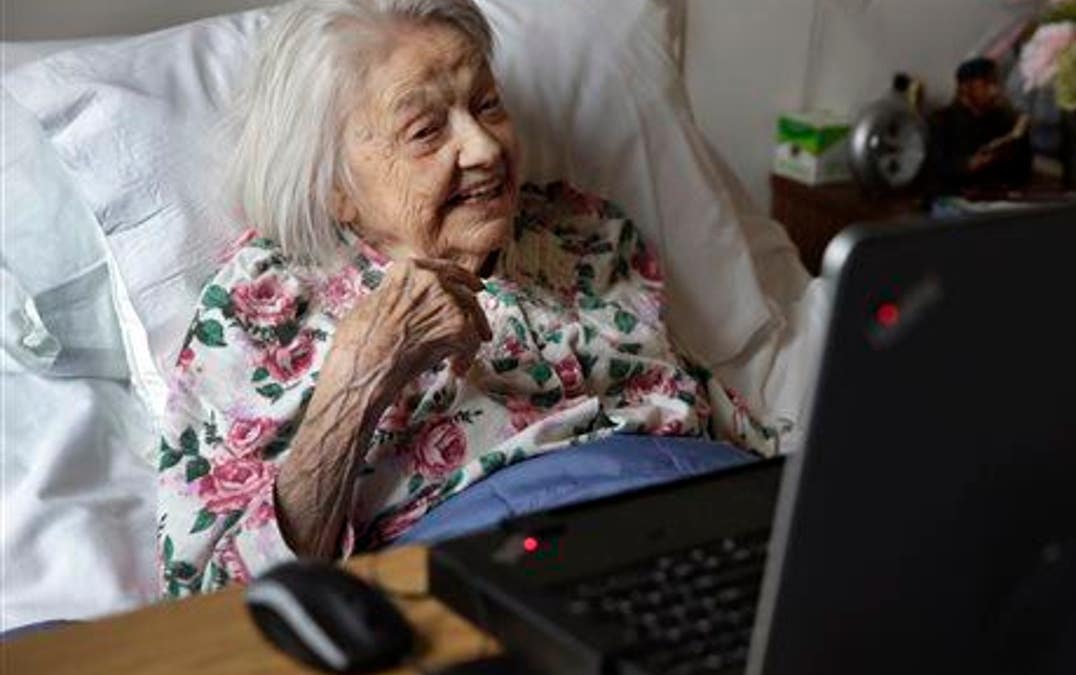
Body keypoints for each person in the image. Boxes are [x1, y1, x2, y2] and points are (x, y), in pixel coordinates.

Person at [156, 0, 774, 597]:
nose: (483, 149)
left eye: (488, 106)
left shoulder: (584, 231)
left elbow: (704, 404)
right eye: (425, 130)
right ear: (334, 184)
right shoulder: (267, 304)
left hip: (714, 520)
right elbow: (219, 601)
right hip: (500, 578)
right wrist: (361, 375)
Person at [929, 57, 1033, 197]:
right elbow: (937, 168)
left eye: (996, 83)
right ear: (966, 88)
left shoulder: (1003, 119)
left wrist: (1019, 140)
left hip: (996, 198)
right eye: (987, 84)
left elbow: (1021, 172)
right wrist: (969, 165)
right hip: (956, 199)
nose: (994, 91)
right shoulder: (942, 120)